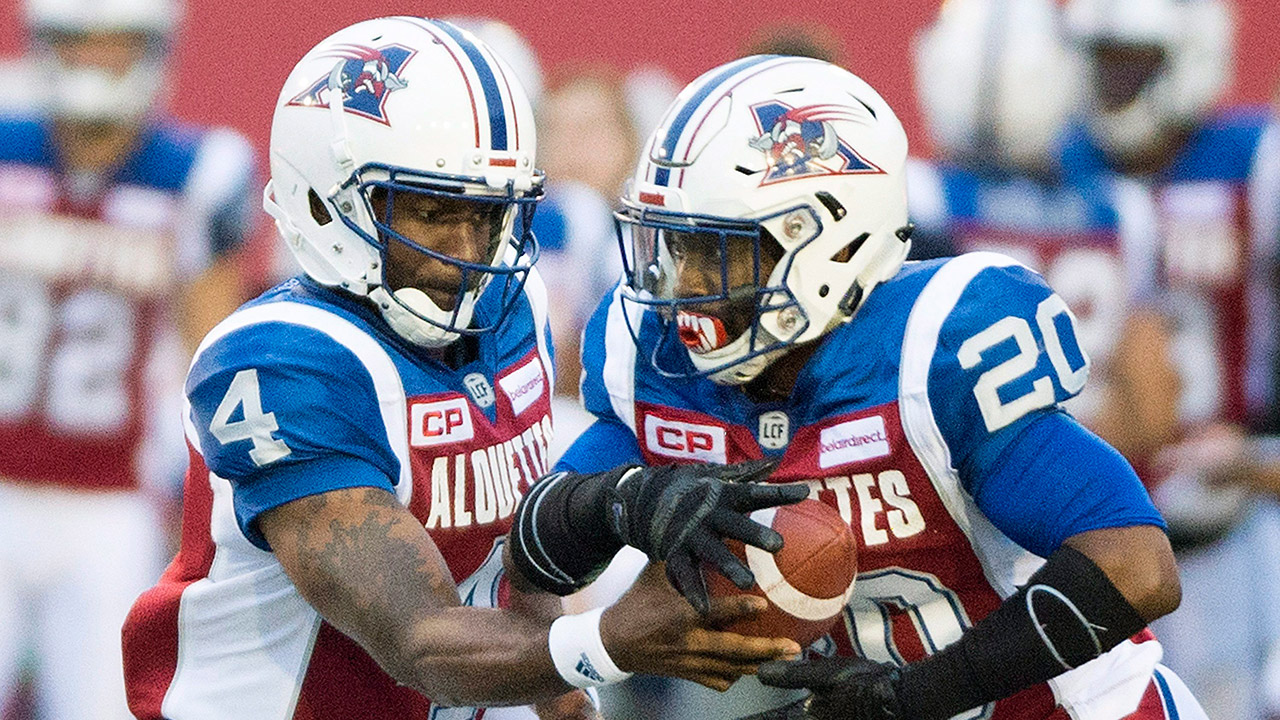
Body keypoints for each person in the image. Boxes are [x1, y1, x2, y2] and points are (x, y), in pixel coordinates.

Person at [120, 17, 808, 720]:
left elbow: (512, 562)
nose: (465, 251)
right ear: (325, 198)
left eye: (486, 214)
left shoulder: (513, 307)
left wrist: (563, 698)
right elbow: (420, 645)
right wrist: (608, 641)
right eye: (429, 212)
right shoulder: (281, 360)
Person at [549, 53, 1209, 719]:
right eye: (674, 248)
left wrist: (913, 699)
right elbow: (536, 544)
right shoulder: (661, 364)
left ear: (829, 244)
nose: (683, 286)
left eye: (716, 253)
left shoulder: (928, 352)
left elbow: (1138, 568)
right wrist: (618, 514)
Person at [0, 0, 254, 717]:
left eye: (114, 44)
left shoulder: (195, 172)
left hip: (111, 506)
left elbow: (212, 358)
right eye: (77, 43)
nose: (94, 61)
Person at [1058, 0, 1280, 716]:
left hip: (1232, 524)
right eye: (1103, 61)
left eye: (1132, 61)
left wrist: (1262, 454)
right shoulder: (1060, 166)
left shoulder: (1254, 162)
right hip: (1089, 536)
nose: (1112, 83)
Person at [908, 0, 1183, 491]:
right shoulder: (1123, 209)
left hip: (949, 485)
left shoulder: (917, 196)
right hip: (1085, 485)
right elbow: (1150, 412)